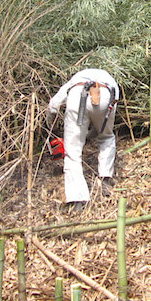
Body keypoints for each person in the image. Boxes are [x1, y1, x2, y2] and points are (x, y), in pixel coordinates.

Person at [47, 68, 121, 211]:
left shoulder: (75, 79)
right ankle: (105, 178)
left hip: (76, 97)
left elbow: (54, 105)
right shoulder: (110, 80)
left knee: (72, 151)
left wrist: (53, 128)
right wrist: (93, 132)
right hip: (106, 96)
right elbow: (110, 111)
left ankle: (77, 199)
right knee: (106, 136)